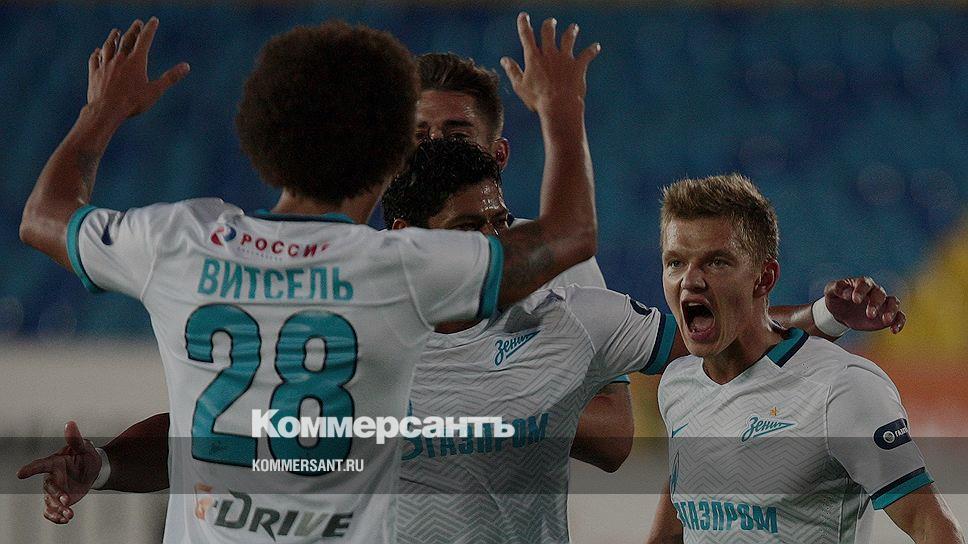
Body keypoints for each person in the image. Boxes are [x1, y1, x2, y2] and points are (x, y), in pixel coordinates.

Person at [21, 140, 908, 544]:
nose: (495, 244)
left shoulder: (571, 318)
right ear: (409, 238)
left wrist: (825, 320)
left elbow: (719, 342)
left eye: (499, 222)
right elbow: (218, 440)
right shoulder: (349, 325)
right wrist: (105, 465)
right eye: (469, 229)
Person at [18, 13, 603, 543]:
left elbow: (44, 216)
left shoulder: (179, 241)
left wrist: (102, 111)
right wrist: (561, 106)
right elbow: (570, 233)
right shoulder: (404, 270)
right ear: (392, 155)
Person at [646, 174, 963, 543]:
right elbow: (678, 521)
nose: (690, 280)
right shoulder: (678, 384)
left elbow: (930, 525)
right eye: (675, 262)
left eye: (716, 262)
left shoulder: (840, 388)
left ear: (764, 279)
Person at [414, 51, 632, 472]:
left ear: (498, 155)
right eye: (420, 137)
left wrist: (485, 398)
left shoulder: (559, 264)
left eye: (457, 136)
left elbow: (614, 435)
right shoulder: (366, 267)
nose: (436, 149)